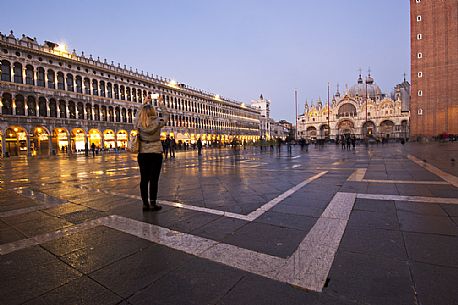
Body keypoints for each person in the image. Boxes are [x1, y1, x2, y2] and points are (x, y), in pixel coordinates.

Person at [135, 94, 170, 211]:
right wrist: (160, 103)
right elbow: (166, 115)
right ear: (153, 112)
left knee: (144, 179)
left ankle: (145, 204)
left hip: (143, 153)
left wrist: (144, 102)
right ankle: (153, 203)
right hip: (156, 153)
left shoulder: (138, 123)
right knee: (154, 179)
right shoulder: (158, 122)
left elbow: (137, 113)